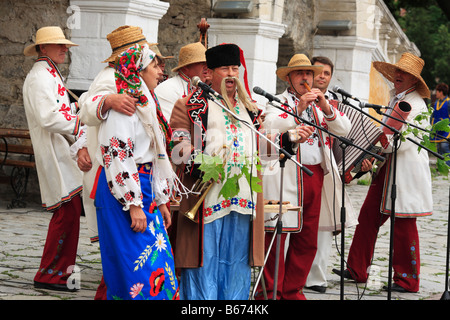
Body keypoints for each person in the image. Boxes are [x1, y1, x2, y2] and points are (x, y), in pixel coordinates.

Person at [169, 43, 265, 300]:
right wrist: (204, 164)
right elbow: (177, 144)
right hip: (206, 201)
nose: (232, 74)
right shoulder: (189, 106)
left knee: (237, 266)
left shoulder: (251, 110)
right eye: (225, 68)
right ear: (208, 73)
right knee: (205, 266)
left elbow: (263, 147)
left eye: (235, 68)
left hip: (244, 200)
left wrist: (288, 139)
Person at [333, 52, 433, 293]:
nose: (399, 76)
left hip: (405, 173)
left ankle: (408, 280)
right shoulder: (396, 99)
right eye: (398, 71)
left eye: (405, 74)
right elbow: (387, 140)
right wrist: (374, 151)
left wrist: (378, 144)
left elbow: (403, 143)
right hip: (387, 168)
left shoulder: (417, 105)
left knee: (404, 226)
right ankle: (357, 268)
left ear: (414, 80)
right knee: (367, 217)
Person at [256, 53, 352, 300]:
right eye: (300, 74)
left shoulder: (319, 105)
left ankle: (293, 290)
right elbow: (269, 127)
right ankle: (270, 292)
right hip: (287, 175)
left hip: (316, 175)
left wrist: (326, 107)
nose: (306, 78)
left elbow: (344, 129)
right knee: (277, 236)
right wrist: (298, 108)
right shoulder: (277, 101)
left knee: (308, 239)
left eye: (309, 73)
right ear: (289, 78)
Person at [94, 42, 179, 300]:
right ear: (139, 70)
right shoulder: (126, 106)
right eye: (154, 65)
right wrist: (133, 204)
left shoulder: (147, 104)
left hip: (143, 188)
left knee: (158, 264)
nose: (160, 71)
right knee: (137, 272)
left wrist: (161, 200)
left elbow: (154, 155)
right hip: (122, 192)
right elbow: (119, 155)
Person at [22, 26, 83, 292]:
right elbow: (48, 117)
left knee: (68, 212)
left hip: (60, 149)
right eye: (58, 45)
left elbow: (58, 109)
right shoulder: (39, 77)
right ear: (42, 48)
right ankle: (49, 273)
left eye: (65, 44)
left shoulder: (49, 73)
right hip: (53, 149)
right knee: (65, 212)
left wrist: (75, 108)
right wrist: (78, 121)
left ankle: (57, 272)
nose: (65, 48)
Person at [304, 56, 357, 293]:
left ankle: (317, 277)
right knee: (301, 223)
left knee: (324, 226)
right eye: (318, 72)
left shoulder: (332, 105)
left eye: (327, 73)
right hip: (302, 167)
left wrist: (325, 106)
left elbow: (345, 130)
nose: (322, 76)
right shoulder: (295, 100)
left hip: (327, 169)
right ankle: (294, 274)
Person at [154, 42, 209, 120]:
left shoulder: (203, 88)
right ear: (186, 67)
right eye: (202, 63)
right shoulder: (168, 88)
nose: (206, 67)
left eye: (207, 63)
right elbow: (170, 126)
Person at [430, 83, 450, 165]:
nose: (436, 93)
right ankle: (441, 167)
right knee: (438, 149)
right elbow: (433, 115)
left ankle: (448, 167)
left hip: (446, 130)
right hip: (437, 130)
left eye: (437, 91)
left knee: (444, 147)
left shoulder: (448, 102)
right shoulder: (436, 103)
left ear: (441, 92)